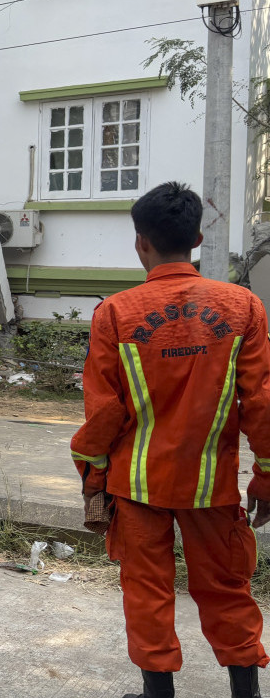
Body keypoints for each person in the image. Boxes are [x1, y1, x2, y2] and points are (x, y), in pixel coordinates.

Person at [72, 182, 270, 698]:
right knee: (228, 589)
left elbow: (103, 412)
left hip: (138, 487)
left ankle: (157, 693)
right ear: (198, 238)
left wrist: (95, 478)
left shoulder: (115, 314)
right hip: (213, 486)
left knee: (146, 593)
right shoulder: (243, 307)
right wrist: (267, 478)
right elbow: (263, 404)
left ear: (141, 243)